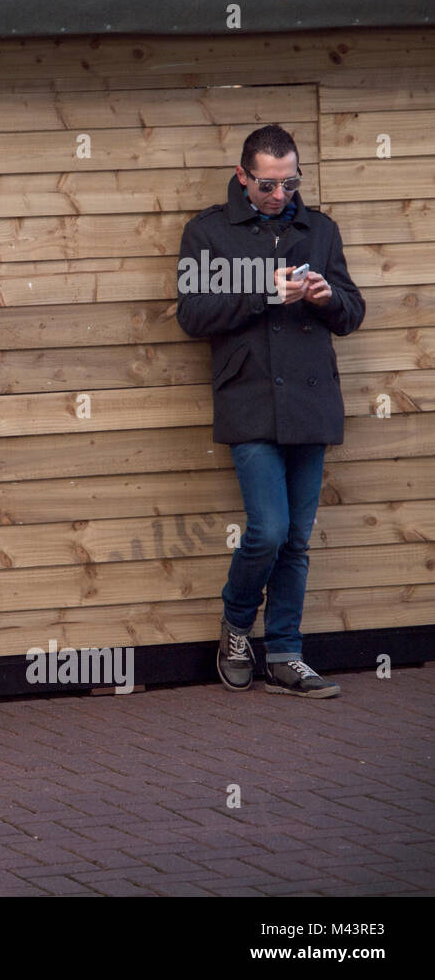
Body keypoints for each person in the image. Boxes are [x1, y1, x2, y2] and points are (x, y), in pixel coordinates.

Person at [175, 125, 365, 698]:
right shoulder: (208, 231)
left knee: (298, 539)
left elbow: (353, 311)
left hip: (310, 400)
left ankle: (285, 654)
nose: (279, 194)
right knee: (270, 530)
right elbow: (193, 315)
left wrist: (329, 298)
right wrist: (263, 292)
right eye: (267, 184)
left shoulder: (321, 229)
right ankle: (237, 626)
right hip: (250, 397)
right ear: (242, 176)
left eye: (289, 182)